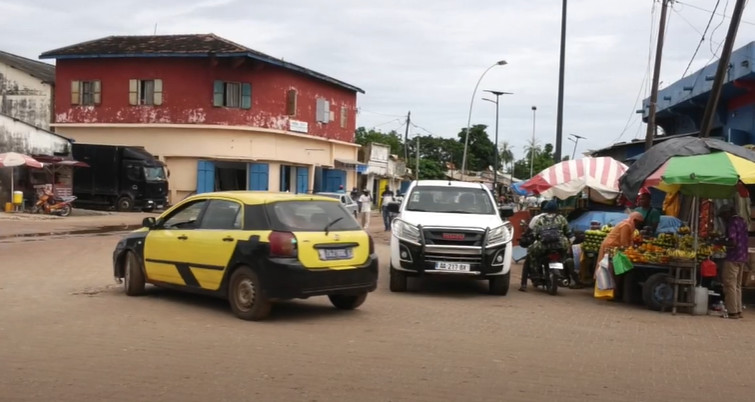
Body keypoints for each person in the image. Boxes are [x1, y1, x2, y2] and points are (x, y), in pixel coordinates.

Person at [521, 200, 571, 291]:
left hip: (543, 246)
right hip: (561, 245)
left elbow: (534, 234)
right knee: (566, 257)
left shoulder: (540, 219)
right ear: (557, 209)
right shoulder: (561, 218)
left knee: (531, 254)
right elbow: (568, 232)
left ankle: (535, 274)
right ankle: (567, 274)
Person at [594, 211, 644, 300]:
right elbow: (624, 242)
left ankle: (613, 292)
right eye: (638, 222)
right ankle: (608, 292)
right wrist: (631, 250)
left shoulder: (629, 225)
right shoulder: (626, 225)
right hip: (611, 247)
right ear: (635, 220)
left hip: (614, 247)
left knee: (611, 270)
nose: (639, 225)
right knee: (609, 269)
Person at [718, 204, 747, 319]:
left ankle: (732, 312)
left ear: (727, 213)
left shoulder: (732, 223)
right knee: (737, 286)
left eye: (723, 216)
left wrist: (719, 242)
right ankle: (738, 310)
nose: (723, 219)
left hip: (733, 258)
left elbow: (732, 242)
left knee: (729, 284)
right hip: (742, 257)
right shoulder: (742, 221)